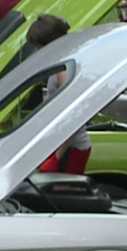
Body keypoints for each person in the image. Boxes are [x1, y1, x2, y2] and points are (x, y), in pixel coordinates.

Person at [27, 14, 91, 174]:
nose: (38, 50)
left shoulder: (64, 72)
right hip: (63, 145)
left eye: (39, 46)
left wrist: (57, 156)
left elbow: (73, 115)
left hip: (70, 148)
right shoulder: (64, 62)